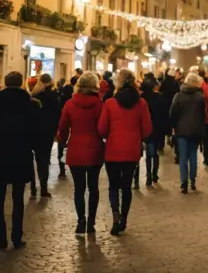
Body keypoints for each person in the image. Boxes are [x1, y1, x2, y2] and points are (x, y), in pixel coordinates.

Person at [97, 70, 152, 235]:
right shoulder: (141, 103)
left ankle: (115, 216)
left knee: (113, 186)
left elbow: (101, 128)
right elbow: (148, 129)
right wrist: (136, 137)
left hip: (113, 150)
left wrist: (111, 135)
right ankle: (124, 219)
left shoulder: (110, 103)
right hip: (131, 150)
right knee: (126, 186)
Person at [57, 72, 105, 234]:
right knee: (93, 187)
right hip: (95, 149)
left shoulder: (70, 104)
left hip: (76, 149)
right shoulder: (99, 104)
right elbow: (103, 127)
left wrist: (62, 140)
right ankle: (91, 222)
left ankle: (80, 221)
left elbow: (63, 126)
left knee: (79, 188)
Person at [0, 72, 40, 249]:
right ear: (21, 83)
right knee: (18, 198)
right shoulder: (31, 104)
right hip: (21, 154)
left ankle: (0, 238)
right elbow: (34, 132)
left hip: (1, 154)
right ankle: (17, 236)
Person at [169, 72, 208, 193]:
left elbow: (172, 113)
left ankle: (184, 183)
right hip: (196, 130)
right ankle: (193, 181)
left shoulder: (178, 96)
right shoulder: (200, 97)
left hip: (181, 130)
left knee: (183, 157)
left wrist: (174, 126)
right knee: (193, 156)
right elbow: (203, 114)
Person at [30, 74, 63, 199]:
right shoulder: (54, 97)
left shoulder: (34, 96)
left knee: (33, 159)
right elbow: (58, 116)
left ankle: (33, 186)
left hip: (33, 132)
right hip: (47, 133)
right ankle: (43, 188)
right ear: (51, 82)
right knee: (44, 159)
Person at [140, 79, 169, 187]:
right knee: (155, 153)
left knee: (149, 154)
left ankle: (148, 176)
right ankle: (154, 174)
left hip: (147, 128)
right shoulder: (159, 97)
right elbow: (165, 112)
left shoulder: (141, 98)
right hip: (158, 127)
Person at [57, 74, 79, 178]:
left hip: (64, 122)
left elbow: (63, 124)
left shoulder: (63, 94)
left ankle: (62, 169)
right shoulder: (76, 98)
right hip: (76, 128)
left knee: (61, 148)